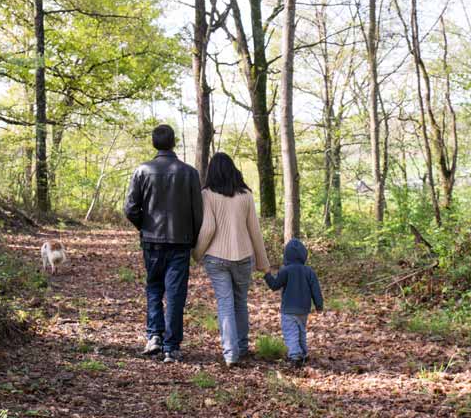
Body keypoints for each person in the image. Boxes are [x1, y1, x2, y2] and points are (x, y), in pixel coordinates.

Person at [124, 124, 203, 363]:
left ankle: (154, 337)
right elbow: (198, 213)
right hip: (180, 242)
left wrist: (144, 225)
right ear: (174, 142)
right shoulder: (189, 173)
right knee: (176, 293)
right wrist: (193, 237)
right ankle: (171, 346)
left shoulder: (142, 171)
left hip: (152, 241)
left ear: (154, 143)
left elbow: (130, 208)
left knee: (154, 288)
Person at [193, 153, 270, 367]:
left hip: (216, 258)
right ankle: (242, 346)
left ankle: (230, 353)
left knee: (225, 304)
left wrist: (196, 254)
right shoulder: (246, 195)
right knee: (240, 302)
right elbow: (255, 231)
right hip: (243, 256)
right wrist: (264, 263)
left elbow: (208, 228)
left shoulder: (207, 194)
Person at [264, 238, 323, 367]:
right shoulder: (309, 271)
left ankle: (295, 356)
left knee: (290, 332)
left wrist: (267, 275)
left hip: (289, 309)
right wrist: (319, 305)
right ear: (304, 255)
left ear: (286, 255)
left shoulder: (285, 270)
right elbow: (316, 289)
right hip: (303, 309)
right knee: (301, 331)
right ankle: (303, 353)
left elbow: (275, 285)